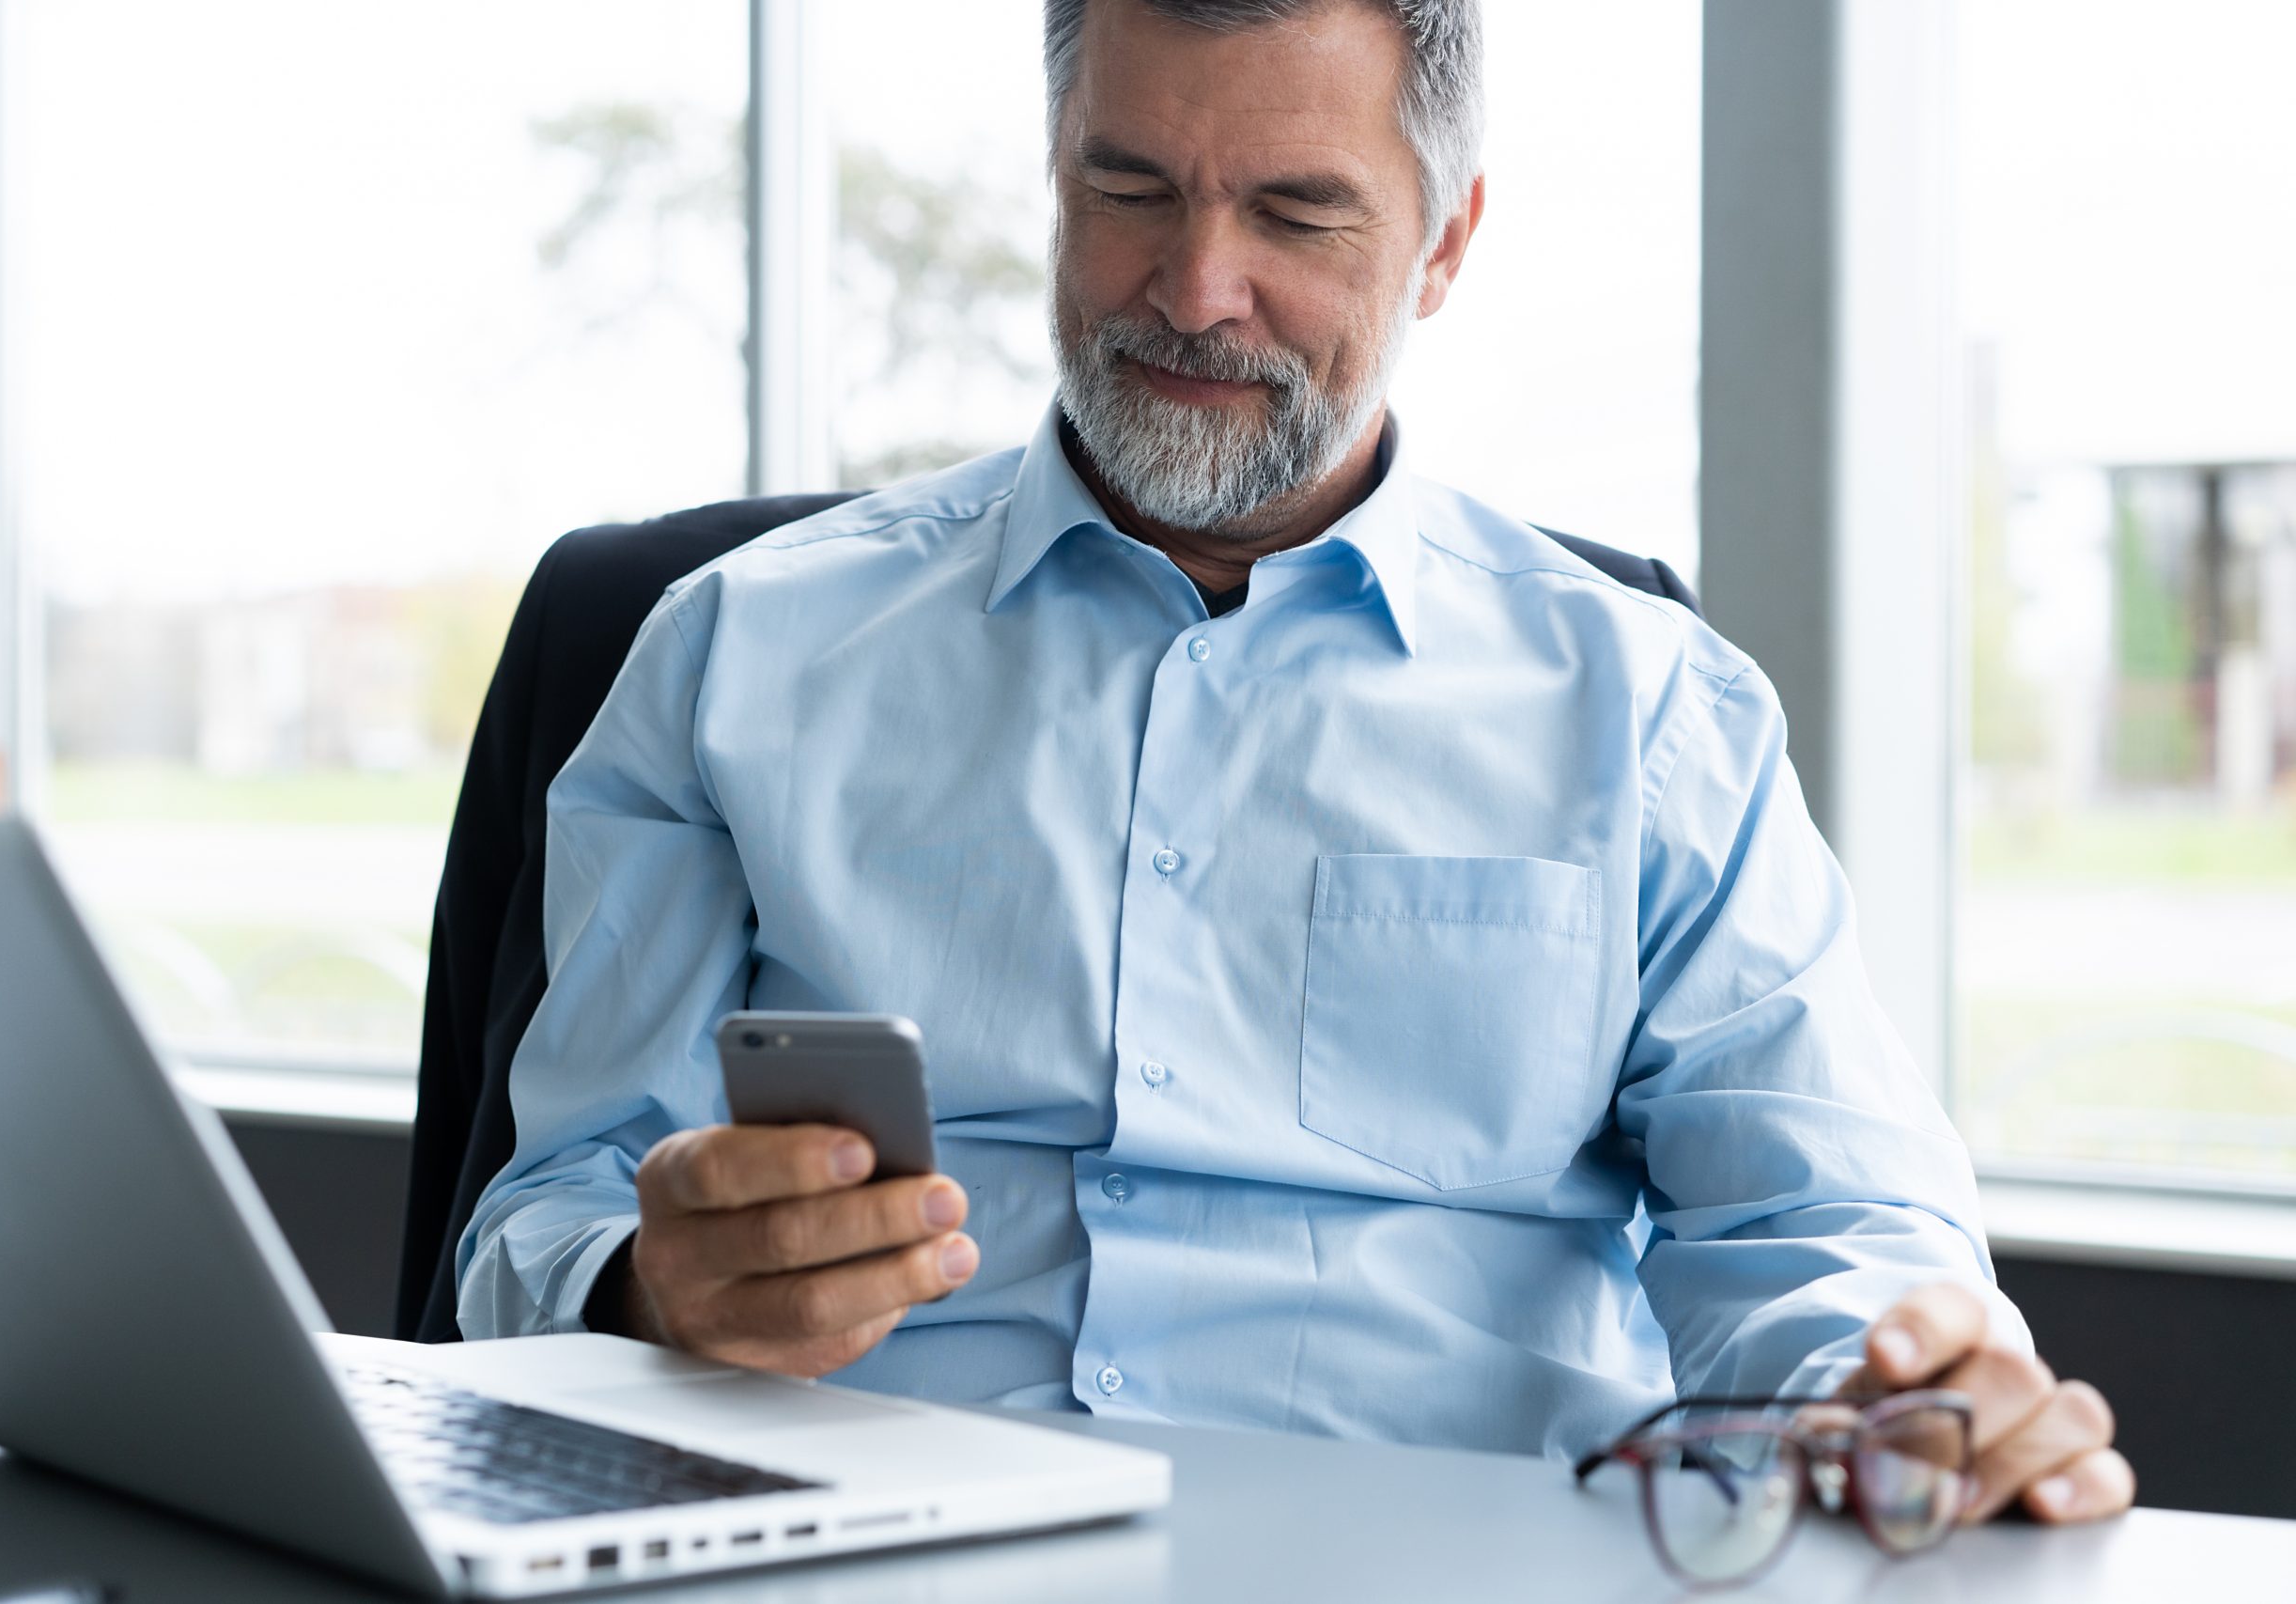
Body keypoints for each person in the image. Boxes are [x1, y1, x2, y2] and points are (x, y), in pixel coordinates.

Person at [458, 0, 2132, 1527]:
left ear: (1445, 241)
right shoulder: (730, 650)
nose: (1194, 291)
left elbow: (1823, 1226)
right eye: (1128, 190)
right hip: (865, 1558)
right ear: (1055, 178)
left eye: (1296, 213)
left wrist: (1891, 1389)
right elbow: (540, 1217)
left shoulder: (1648, 712)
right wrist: (644, 1284)